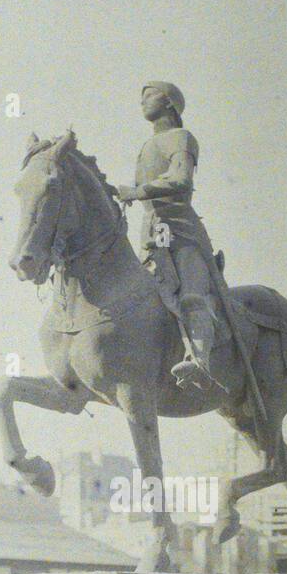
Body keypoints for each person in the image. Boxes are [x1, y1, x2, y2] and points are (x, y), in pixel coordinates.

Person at [115, 82, 221, 390]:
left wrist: (138, 191)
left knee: (190, 296)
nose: (142, 101)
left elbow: (180, 177)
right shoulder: (147, 146)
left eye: (149, 95)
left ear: (171, 102)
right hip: (152, 230)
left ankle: (200, 362)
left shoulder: (180, 137)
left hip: (182, 230)